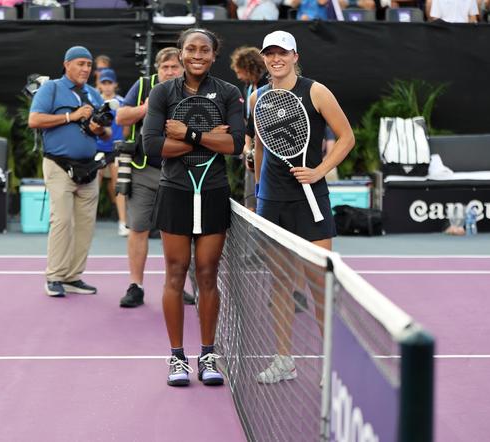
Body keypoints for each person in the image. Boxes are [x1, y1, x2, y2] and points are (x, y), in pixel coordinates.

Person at [249, 31, 354, 383]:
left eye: (282, 52)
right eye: (270, 53)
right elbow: (261, 149)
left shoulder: (315, 91)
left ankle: (330, 363)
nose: (275, 58)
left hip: (312, 200)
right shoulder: (258, 97)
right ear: (264, 58)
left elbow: (346, 137)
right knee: (280, 283)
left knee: (318, 282)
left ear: (295, 55)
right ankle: (284, 360)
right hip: (272, 202)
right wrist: (259, 189)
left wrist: (319, 171)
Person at [143, 28, 245, 387]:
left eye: (204, 49)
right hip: (175, 191)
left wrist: (187, 134)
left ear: (214, 55)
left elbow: (233, 144)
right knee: (175, 271)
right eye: (191, 49)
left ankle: (208, 354)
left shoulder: (229, 92)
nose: (197, 54)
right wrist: (208, 138)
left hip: (214, 190)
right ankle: (176, 358)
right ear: (182, 53)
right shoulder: (161, 92)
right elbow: (153, 145)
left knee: (206, 273)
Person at [28, 46, 111, 298]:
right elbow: (34, 120)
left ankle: (73, 276)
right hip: (58, 165)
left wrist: (98, 128)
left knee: (85, 224)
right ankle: (54, 276)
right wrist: (71, 117)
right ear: (67, 65)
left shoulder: (94, 94)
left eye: (88, 65)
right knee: (62, 221)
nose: (86, 69)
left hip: (88, 167)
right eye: (80, 64)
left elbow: (106, 133)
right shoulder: (51, 88)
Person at [115, 47, 187, 308]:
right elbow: (121, 116)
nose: (170, 71)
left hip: (179, 169)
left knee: (179, 230)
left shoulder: (192, 88)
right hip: (143, 168)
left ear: (183, 68)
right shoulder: (144, 85)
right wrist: (145, 108)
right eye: (165, 67)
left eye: (174, 67)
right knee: (138, 227)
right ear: (157, 69)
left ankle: (177, 284)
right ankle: (136, 286)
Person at [230, 46, 268, 212]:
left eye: (240, 71)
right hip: (251, 146)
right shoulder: (247, 88)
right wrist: (247, 150)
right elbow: (249, 121)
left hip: (265, 148)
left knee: (260, 195)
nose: (238, 76)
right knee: (250, 195)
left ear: (249, 68)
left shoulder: (267, 85)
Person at [95, 68, 128, 237]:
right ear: (99, 85)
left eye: (110, 83)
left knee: (119, 185)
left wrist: (120, 141)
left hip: (116, 149)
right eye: (104, 83)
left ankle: (123, 223)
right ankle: (88, 221)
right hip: (98, 149)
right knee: (93, 184)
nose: (107, 86)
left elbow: (127, 126)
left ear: (115, 84)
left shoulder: (122, 102)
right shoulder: (94, 102)